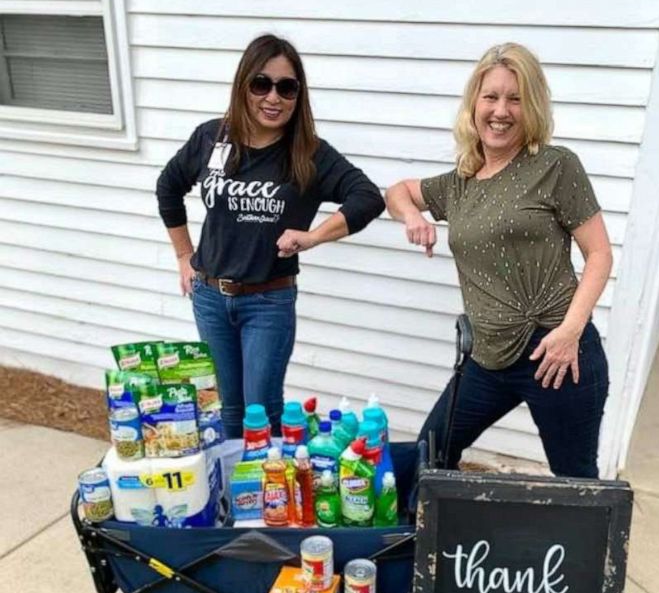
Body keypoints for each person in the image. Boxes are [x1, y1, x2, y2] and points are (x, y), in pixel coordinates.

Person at [385, 43, 612, 478]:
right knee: (429, 455)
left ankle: (584, 548)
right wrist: (414, 217)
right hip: (487, 358)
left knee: (576, 481)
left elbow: (599, 254)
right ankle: (445, 545)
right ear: (474, 104)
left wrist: (570, 331)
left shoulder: (555, 166)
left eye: (515, 98)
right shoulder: (460, 182)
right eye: (491, 97)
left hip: (557, 353)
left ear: (533, 108)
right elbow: (397, 192)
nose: (501, 111)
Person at [156, 34, 384, 437]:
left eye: (286, 87)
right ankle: (234, 492)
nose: (273, 97)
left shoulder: (309, 153)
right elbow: (168, 187)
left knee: (260, 411)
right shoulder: (212, 138)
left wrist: (313, 236)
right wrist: (183, 256)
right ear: (244, 85)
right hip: (209, 297)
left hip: (268, 301)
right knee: (227, 408)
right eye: (261, 84)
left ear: (298, 95)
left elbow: (367, 198)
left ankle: (267, 495)